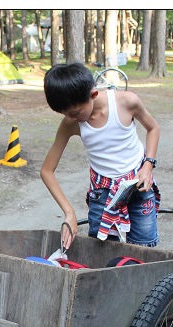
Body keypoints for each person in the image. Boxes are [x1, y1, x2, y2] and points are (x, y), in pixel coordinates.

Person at [41, 62, 161, 248]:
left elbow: (153, 128)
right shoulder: (71, 123)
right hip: (103, 194)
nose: (71, 118)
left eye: (74, 112)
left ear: (93, 94)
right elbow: (47, 171)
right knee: (102, 251)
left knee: (144, 250)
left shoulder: (126, 102)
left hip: (138, 185)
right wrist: (69, 212)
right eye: (64, 114)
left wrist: (148, 166)